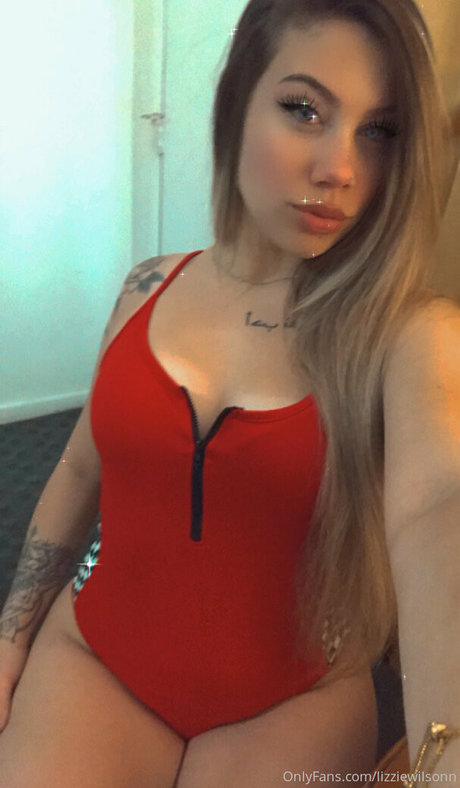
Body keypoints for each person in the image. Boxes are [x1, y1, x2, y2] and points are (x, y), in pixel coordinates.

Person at [0, 0, 458, 785]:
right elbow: (79, 471)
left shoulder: (408, 334)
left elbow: (437, 507)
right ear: (236, 102)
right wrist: (10, 640)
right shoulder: (146, 286)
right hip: (97, 658)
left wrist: (446, 751)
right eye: (304, 110)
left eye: (378, 132)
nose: (340, 169)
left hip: (293, 702)